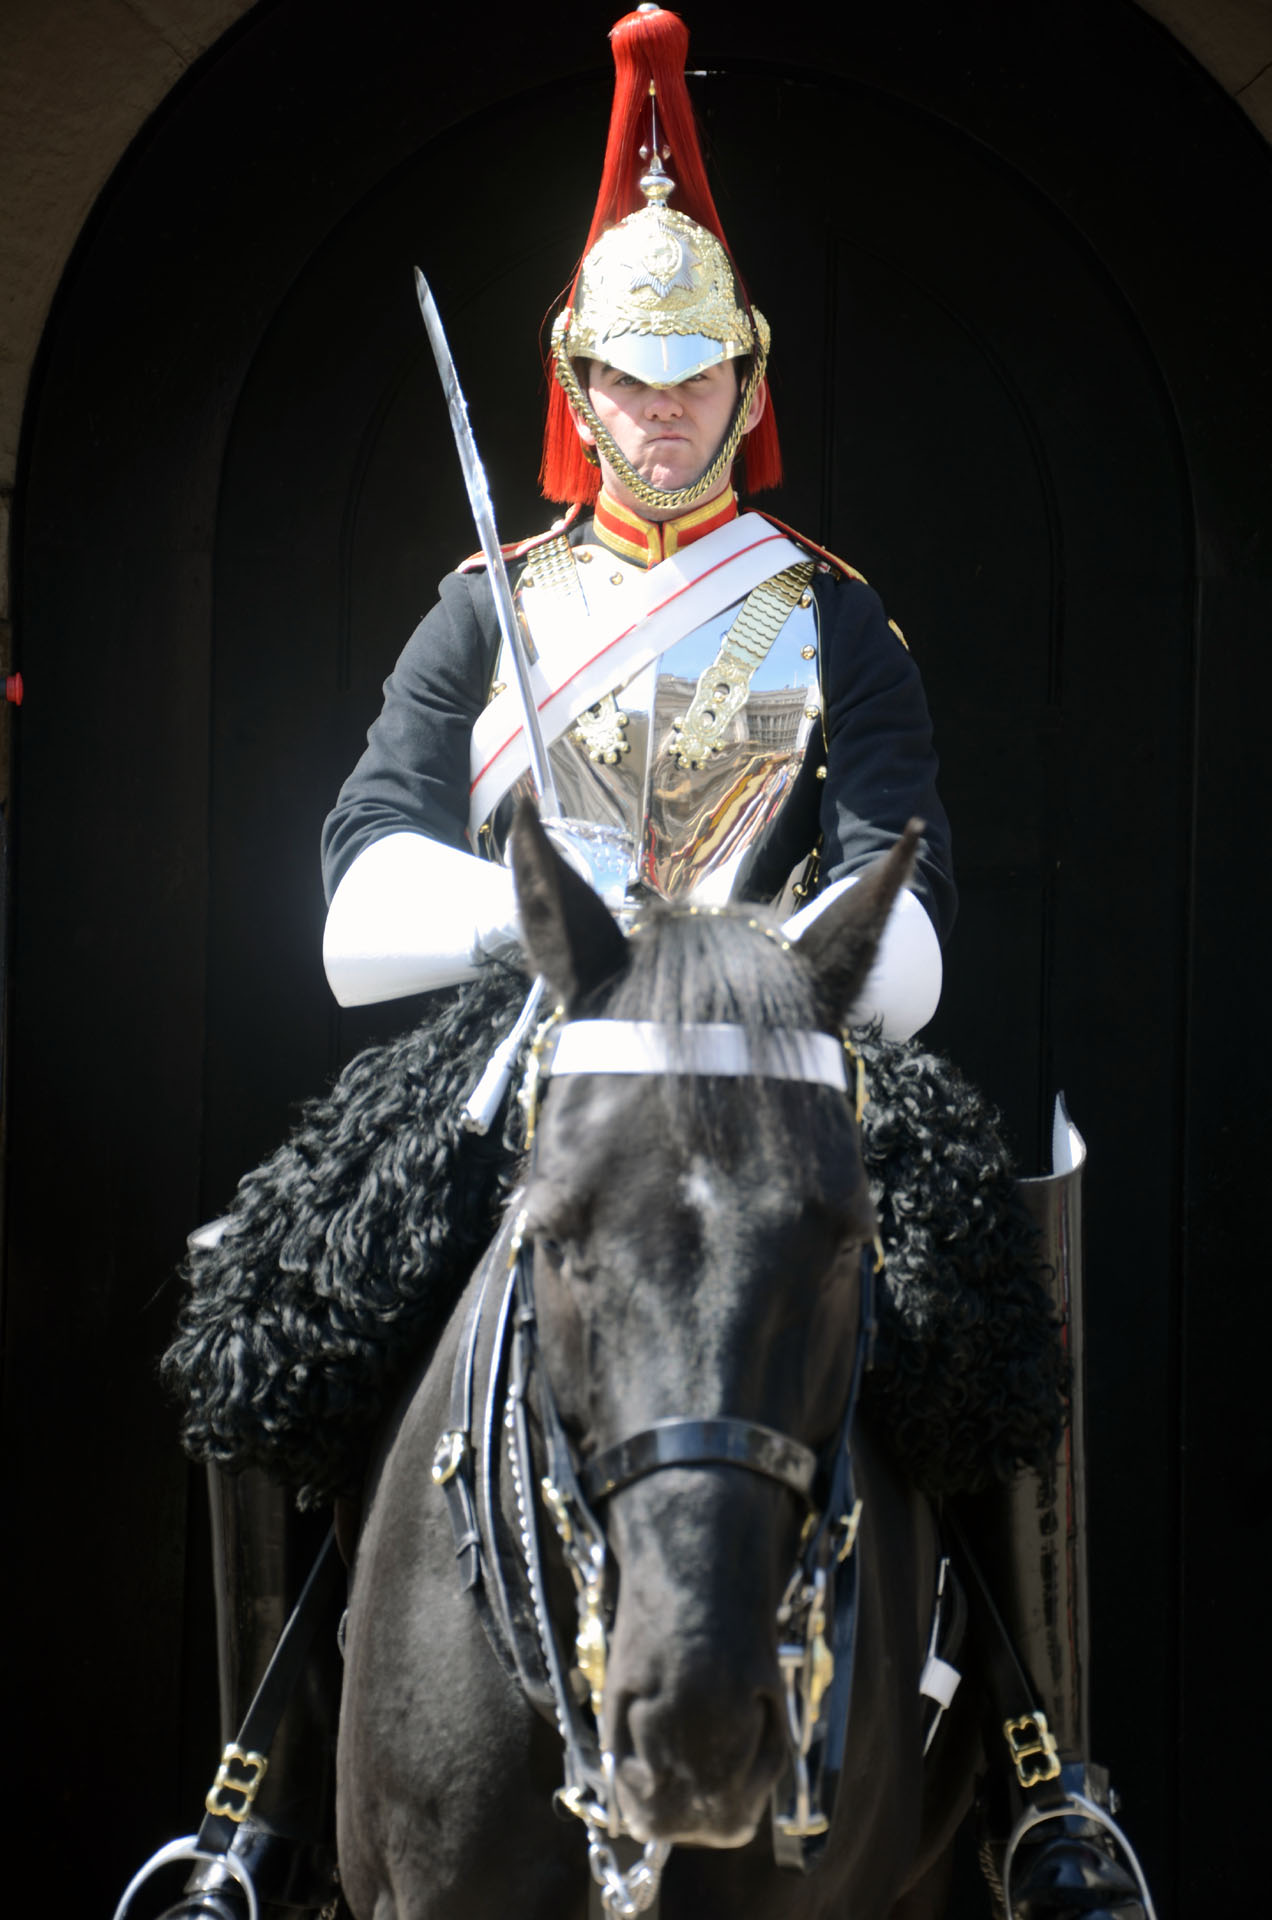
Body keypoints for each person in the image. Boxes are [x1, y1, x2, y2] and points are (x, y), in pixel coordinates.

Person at [137, 11, 1148, 1920]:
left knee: (979, 1288)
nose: (665, 408)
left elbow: (913, 927)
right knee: (300, 1280)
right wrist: (544, 911)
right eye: (630, 375)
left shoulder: (836, 624)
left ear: (747, 379)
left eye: (698, 376)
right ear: (577, 385)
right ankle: (254, 1791)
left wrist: (744, 954)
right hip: (546, 1037)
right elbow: (353, 898)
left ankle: (1039, 1767)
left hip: (780, 1043)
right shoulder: (484, 616)